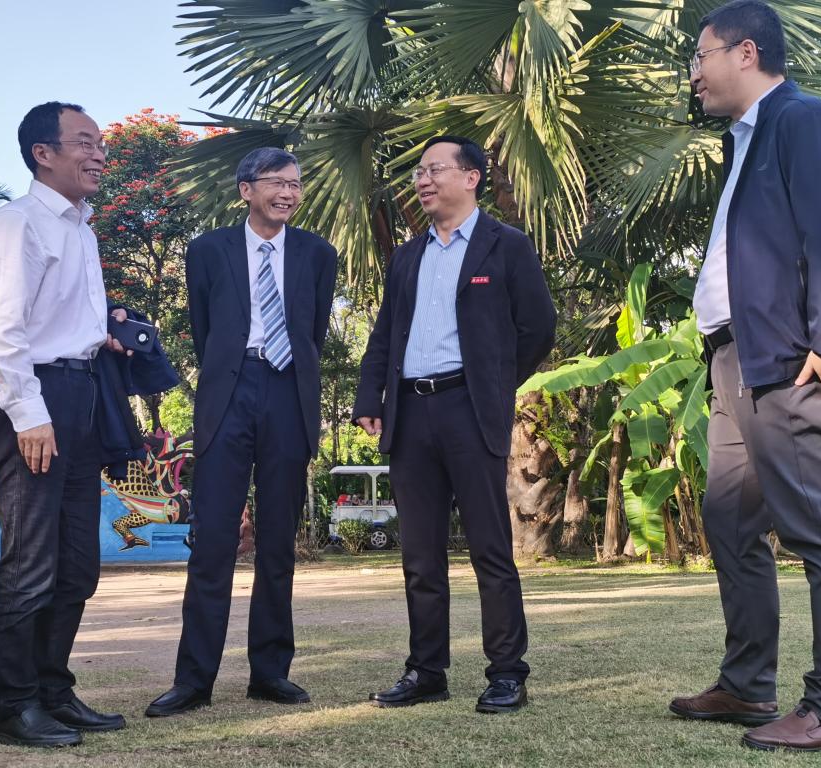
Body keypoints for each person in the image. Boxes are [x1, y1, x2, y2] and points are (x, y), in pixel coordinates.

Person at [668, 0, 821, 752]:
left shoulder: (806, 120)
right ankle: (747, 684)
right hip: (734, 358)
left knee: (820, 528)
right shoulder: (748, 139)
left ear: (745, 52)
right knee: (731, 523)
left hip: (787, 356)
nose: (693, 74)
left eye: (700, 56)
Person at [353, 135, 556, 713]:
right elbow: (385, 333)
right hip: (410, 412)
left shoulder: (506, 245)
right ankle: (426, 671)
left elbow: (538, 328)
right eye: (419, 171)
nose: (423, 180)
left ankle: (507, 673)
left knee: (491, 549)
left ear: (471, 178)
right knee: (420, 555)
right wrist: (370, 395)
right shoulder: (407, 256)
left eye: (435, 169)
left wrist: (491, 382)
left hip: (470, 408)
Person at [146, 148, 337, 717]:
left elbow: (313, 333)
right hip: (228, 394)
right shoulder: (207, 251)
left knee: (278, 543)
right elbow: (205, 330)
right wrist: (236, 368)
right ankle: (193, 680)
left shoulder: (318, 253)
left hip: (288, 394)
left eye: (296, 183)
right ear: (246, 189)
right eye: (277, 182)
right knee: (212, 542)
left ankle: (270, 673)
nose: (288, 192)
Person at [0, 101, 129, 747]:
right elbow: (1, 330)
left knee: (77, 567)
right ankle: (12, 707)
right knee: (30, 564)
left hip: (83, 395)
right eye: (84, 142)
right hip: (36, 404)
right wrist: (29, 415)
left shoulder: (82, 230)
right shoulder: (16, 223)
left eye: (100, 144)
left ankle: (51, 691)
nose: (99, 155)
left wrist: (105, 335)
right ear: (43, 153)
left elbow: (62, 322)